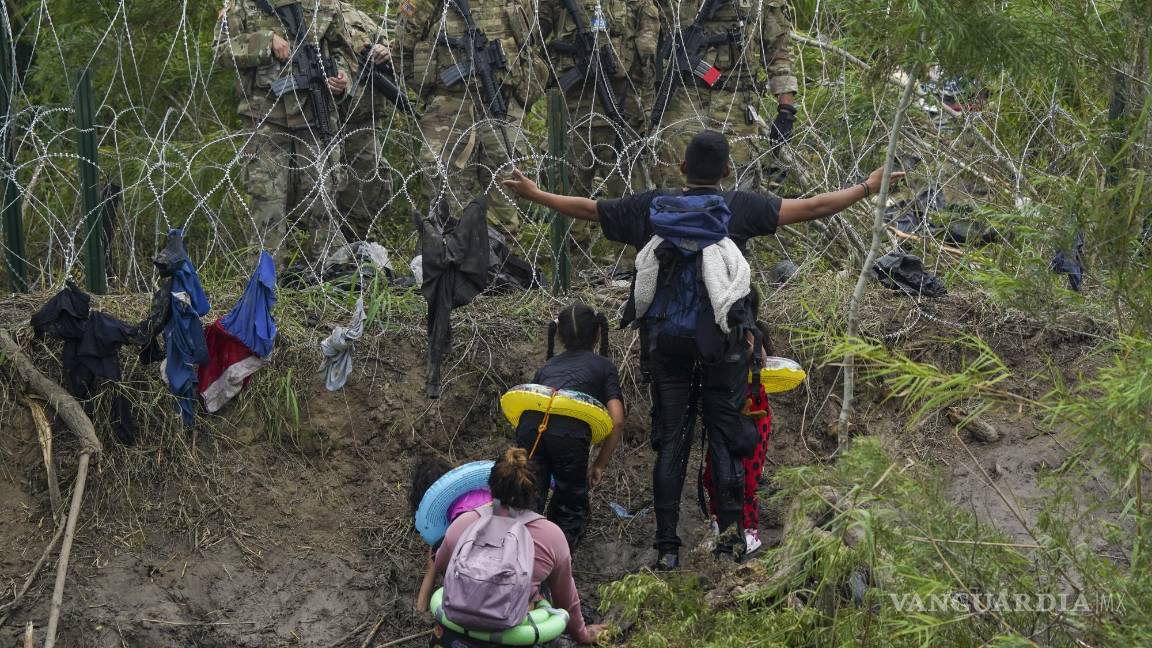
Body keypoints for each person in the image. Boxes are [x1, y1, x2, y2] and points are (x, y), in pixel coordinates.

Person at [502, 130, 903, 569]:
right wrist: (867, 187)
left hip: (666, 347)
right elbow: (814, 207)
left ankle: (667, 548)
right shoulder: (740, 207)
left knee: (671, 443)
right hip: (723, 347)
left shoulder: (652, 208)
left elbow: (588, 209)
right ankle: (730, 541)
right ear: (727, 172)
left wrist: (535, 194)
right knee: (725, 441)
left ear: (682, 170)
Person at [215, 0, 352, 262]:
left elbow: (344, 52)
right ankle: (265, 279)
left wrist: (342, 78)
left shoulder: (324, 5)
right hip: (266, 118)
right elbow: (222, 49)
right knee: (268, 204)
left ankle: (327, 275)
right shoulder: (243, 5)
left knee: (323, 199)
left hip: (316, 115)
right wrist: (265, 42)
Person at [431, 448, 604, 646]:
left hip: (456, 635)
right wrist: (582, 635)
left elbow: (443, 567)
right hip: (514, 636)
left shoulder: (463, 524)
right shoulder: (551, 536)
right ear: (536, 491)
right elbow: (566, 600)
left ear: (490, 486)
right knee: (543, 591)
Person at [394, 0, 540, 235]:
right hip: (449, 107)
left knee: (506, 196)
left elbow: (530, 47)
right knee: (446, 196)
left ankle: (502, 265)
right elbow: (401, 50)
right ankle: (450, 263)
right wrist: (432, 92)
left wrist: (520, 96)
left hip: (501, 104)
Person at [538, 0, 660, 248]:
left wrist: (646, 113)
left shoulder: (639, 5)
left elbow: (647, 61)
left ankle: (630, 265)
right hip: (574, 113)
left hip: (620, 114)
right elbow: (534, 37)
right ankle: (572, 269)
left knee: (627, 200)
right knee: (568, 200)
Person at [647, 0, 798, 191]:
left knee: (734, 186)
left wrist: (786, 110)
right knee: (675, 178)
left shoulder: (762, 3)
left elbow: (779, 54)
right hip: (685, 97)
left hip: (736, 103)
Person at [516, 303, 625, 547]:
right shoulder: (603, 367)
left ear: (559, 335)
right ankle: (552, 570)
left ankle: (520, 563)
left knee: (529, 499)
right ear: (598, 333)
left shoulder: (547, 367)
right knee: (569, 506)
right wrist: (599, 464)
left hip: (530, 427)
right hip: (569, 433)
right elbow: (617, 419)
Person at [331, 3, 407, 241]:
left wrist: (386, 51)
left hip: (362, 122)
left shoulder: (360, 19)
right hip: (320, 122)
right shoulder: (307, 15)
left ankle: (354, 250)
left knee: (364, 191)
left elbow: (395, 59)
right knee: (320, 192)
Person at [702, 322, 774, 560]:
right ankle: (717, 523)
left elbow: (763, 363)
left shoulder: (751, 333)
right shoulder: (715, 335)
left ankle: (750, 530)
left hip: (752, 413)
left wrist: (753, 342)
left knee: (749, 475)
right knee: (714, 473)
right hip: (724, 411)